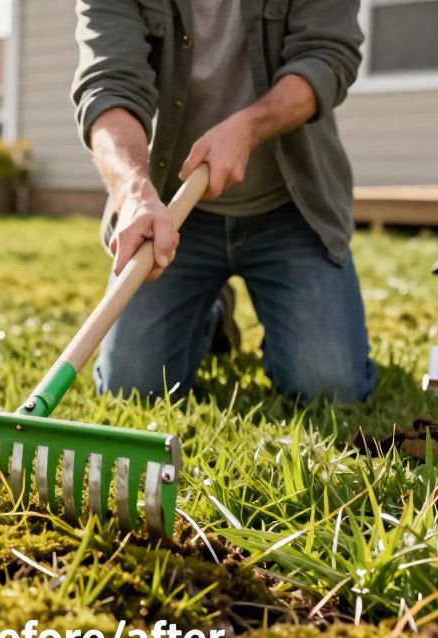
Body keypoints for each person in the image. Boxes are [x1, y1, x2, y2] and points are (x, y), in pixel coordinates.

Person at [72, 0, 376, 404]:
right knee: (130, 388)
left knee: (329, 388)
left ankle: (282, 329)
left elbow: (327, 56)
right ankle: (210, 311)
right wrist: (134, 192)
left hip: (290, 208)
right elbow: (109, 85)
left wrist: (248, 127)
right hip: (173, 216)